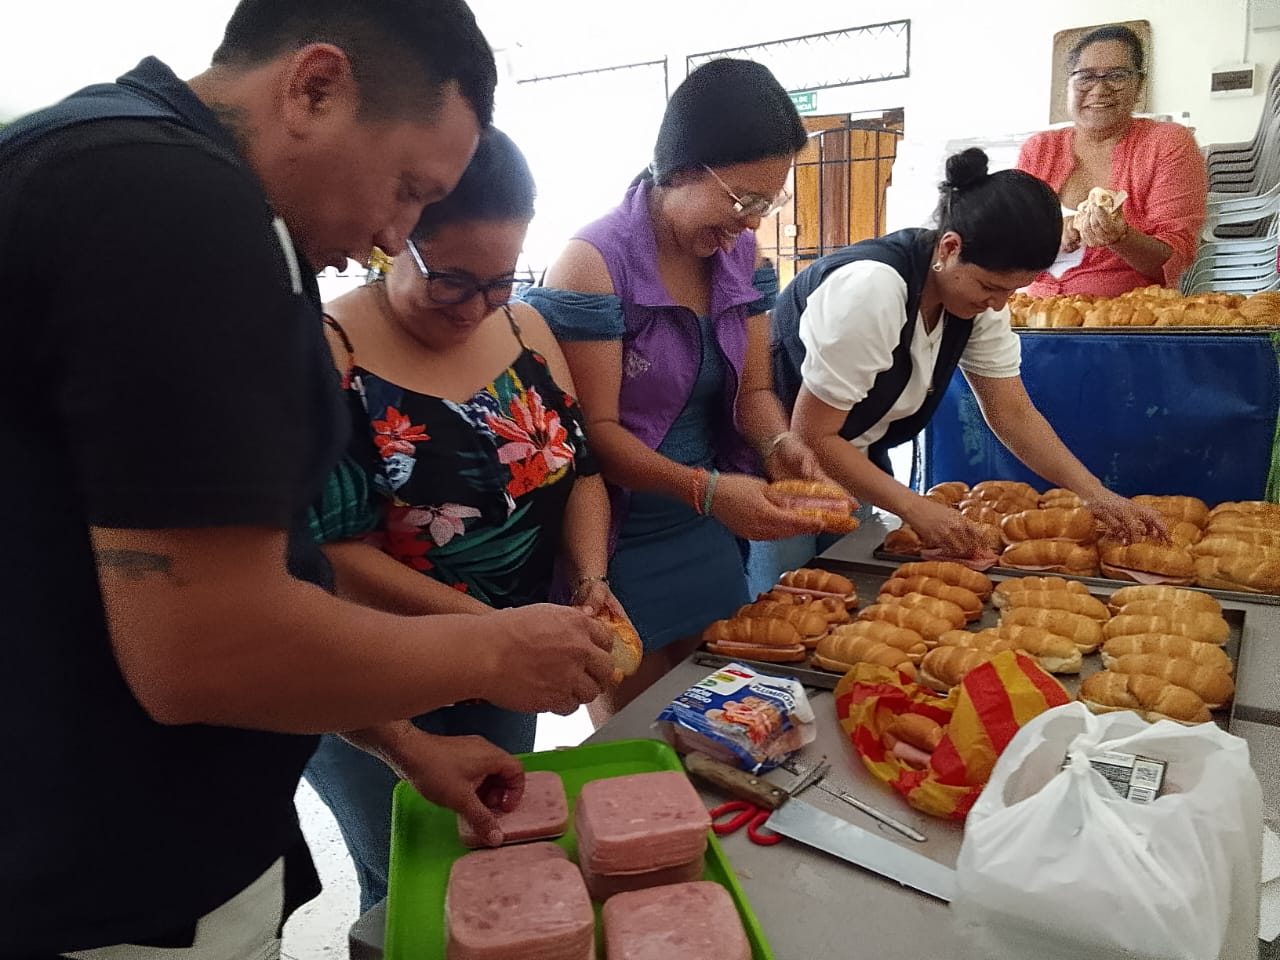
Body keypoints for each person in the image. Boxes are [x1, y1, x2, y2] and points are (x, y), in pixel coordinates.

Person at [0, 3, 617, 957]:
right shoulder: (172, 203)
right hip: (109, 888)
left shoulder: (103, 162)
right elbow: (201, 648)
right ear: (315, 87)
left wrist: (403, 740)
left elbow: (244, 573)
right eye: (407, 191)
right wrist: (492, 649)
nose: (390, 236)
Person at [303, 127, 632, 912]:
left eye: (501, 281)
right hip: (375, 672)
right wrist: (494, 633)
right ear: (394, 240)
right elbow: (333, 554)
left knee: (498, 853)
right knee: (410, 884)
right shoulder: (328, 350)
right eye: (452, 281)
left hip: (506, 663)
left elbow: (581, 472)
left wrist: (589, 581)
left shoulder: (525, 329)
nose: (478, 307)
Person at [526, 59, 830, 721]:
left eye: (766, 205)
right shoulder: (594, 263)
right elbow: (594, 438)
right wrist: (709, 491)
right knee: (643, 733)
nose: (751, 224)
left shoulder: (740, 258)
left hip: (706, 527)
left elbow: (753, 393)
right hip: (615, 535)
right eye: (743, 200)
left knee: (725, 715)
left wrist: (778, 444)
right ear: (685, 167)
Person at [767, 148, 1165, 565]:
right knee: (787, 585)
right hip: (779, 455)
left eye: (1011, 291)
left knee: (846, 572)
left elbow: (1013, 412)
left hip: (851, 450)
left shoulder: (976, 302)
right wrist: (914, 506)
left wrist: (1094, 493)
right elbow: (812, 435)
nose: (998, 304)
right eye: (990, 287)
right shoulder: (873, 290)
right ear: (949, 247)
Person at [1016, 24, 1208, 297]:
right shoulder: (1039, 149)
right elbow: (1009, 244)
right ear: (1068, 86)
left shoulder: (1168, 143)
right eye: (1085, 77)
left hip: (1127, 312)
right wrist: (1047, 240)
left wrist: (1121, 238)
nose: (1099, 89)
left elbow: (1174, 260)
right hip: (1036, 309)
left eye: (1117, 76)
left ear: (1138, 85)